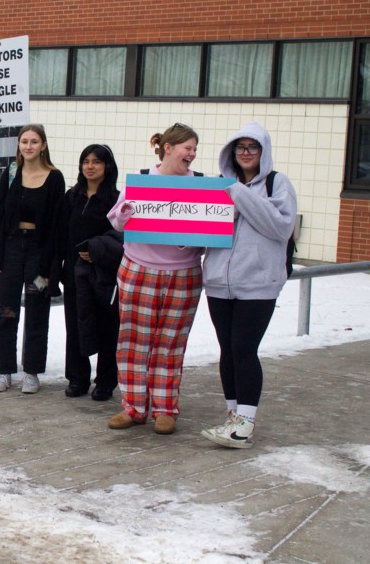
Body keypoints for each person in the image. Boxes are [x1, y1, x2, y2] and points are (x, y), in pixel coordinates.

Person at [201, 122, 297, 449]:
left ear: (263, 152)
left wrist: (236, 192)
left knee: (244, 348)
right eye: (240, 147)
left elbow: (280, 226)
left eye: (252, 147)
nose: (245, 153)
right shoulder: (220, 185)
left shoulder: (277, 183)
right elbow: (202, 230)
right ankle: (233, 415)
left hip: (258, 284)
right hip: (218, 282)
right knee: (227, 350)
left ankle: (245, 422)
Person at [107, 122, 203, 435]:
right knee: (134, 341)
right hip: (139, 269)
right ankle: (134, 407)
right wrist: (126, 212)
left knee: (171, 344)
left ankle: (165, 409)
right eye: (187, 147)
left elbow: (210, 231)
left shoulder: (202, 185)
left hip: (183, 273)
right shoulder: (144, 180)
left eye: (194, 148)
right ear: (168, 148)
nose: (192, 153)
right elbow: (117, 221)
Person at [0, 124, 66, 394]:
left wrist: (51, 264)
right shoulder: (10, 173)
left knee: (36, 311)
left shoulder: (55, 178)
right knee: (6, 311)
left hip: (39, 252)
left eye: (34, 141)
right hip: (10, 250)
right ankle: (4, 370)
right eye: (24, 141)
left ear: (43, 145)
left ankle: (31, 371)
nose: (28, 146)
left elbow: (57, 225)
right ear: (18, 145)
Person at [62, 144, 122, 401]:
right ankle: (77, 378)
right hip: (74, 273)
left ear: (107, 166)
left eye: (96, 162)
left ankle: (106, 382)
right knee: (75, 326)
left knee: (108, 328)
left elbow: (121, 237)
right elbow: (59, 236)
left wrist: (98, 250)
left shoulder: (117, 199)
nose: (90, 166)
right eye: (85, 161)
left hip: (105, 275)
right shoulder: (71, 197)